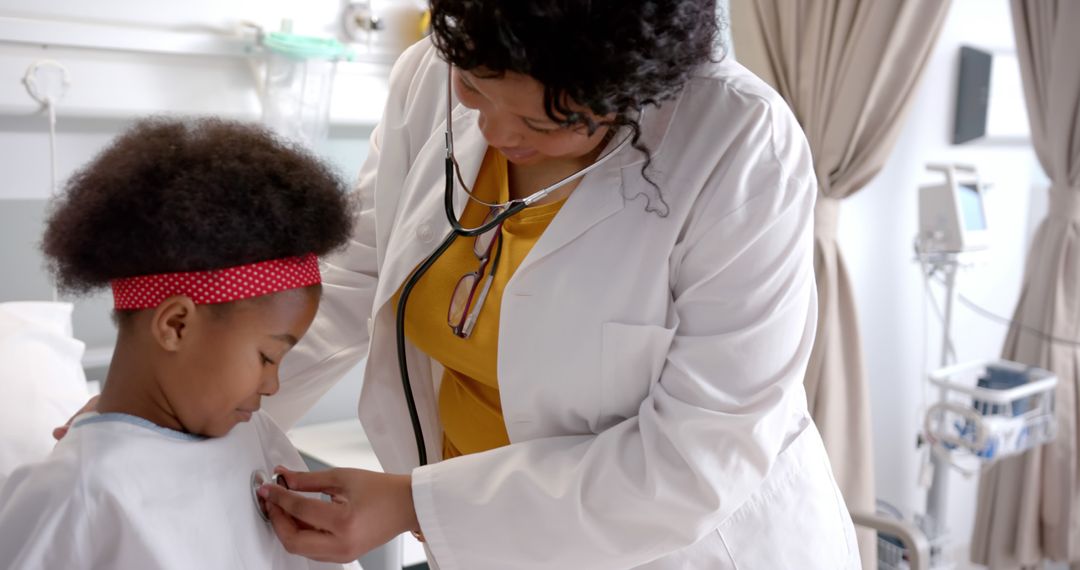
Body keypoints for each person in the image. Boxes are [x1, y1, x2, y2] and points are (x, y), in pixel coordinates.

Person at [2, 118, 359, 570]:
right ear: (175, 325)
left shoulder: (255, 438)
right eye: (268, 356)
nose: (273, 385)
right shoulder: (77, 490)